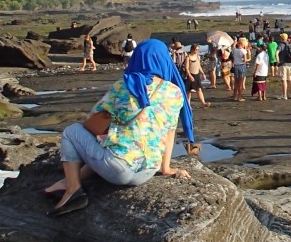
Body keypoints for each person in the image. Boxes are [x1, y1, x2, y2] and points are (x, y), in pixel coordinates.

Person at [43, 39, 194, 216]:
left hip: (117, 170)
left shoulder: (124, 85)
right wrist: (166, 169)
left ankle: (72, 188)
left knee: (71, 132)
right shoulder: (175, 92)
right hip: (148, 171)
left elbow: (93, 118)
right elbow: (169, 133)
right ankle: (66, 181)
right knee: (108, 147)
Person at [277, 33, 291, 100]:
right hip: (290, 64)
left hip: (283, 64)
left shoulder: (280, 45)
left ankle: (284, 95)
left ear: (282, 38)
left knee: (284, 80)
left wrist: (277, 60)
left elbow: (276, 53)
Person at [231, 37, 249, 102]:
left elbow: (233, 46)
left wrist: (235, 41)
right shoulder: (244, 51)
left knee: (236, 83)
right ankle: (239, 97)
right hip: (241, 66)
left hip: (236, 66)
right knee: (240, 83)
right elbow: (245, 60)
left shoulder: (234, 49)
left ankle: (234, 96)